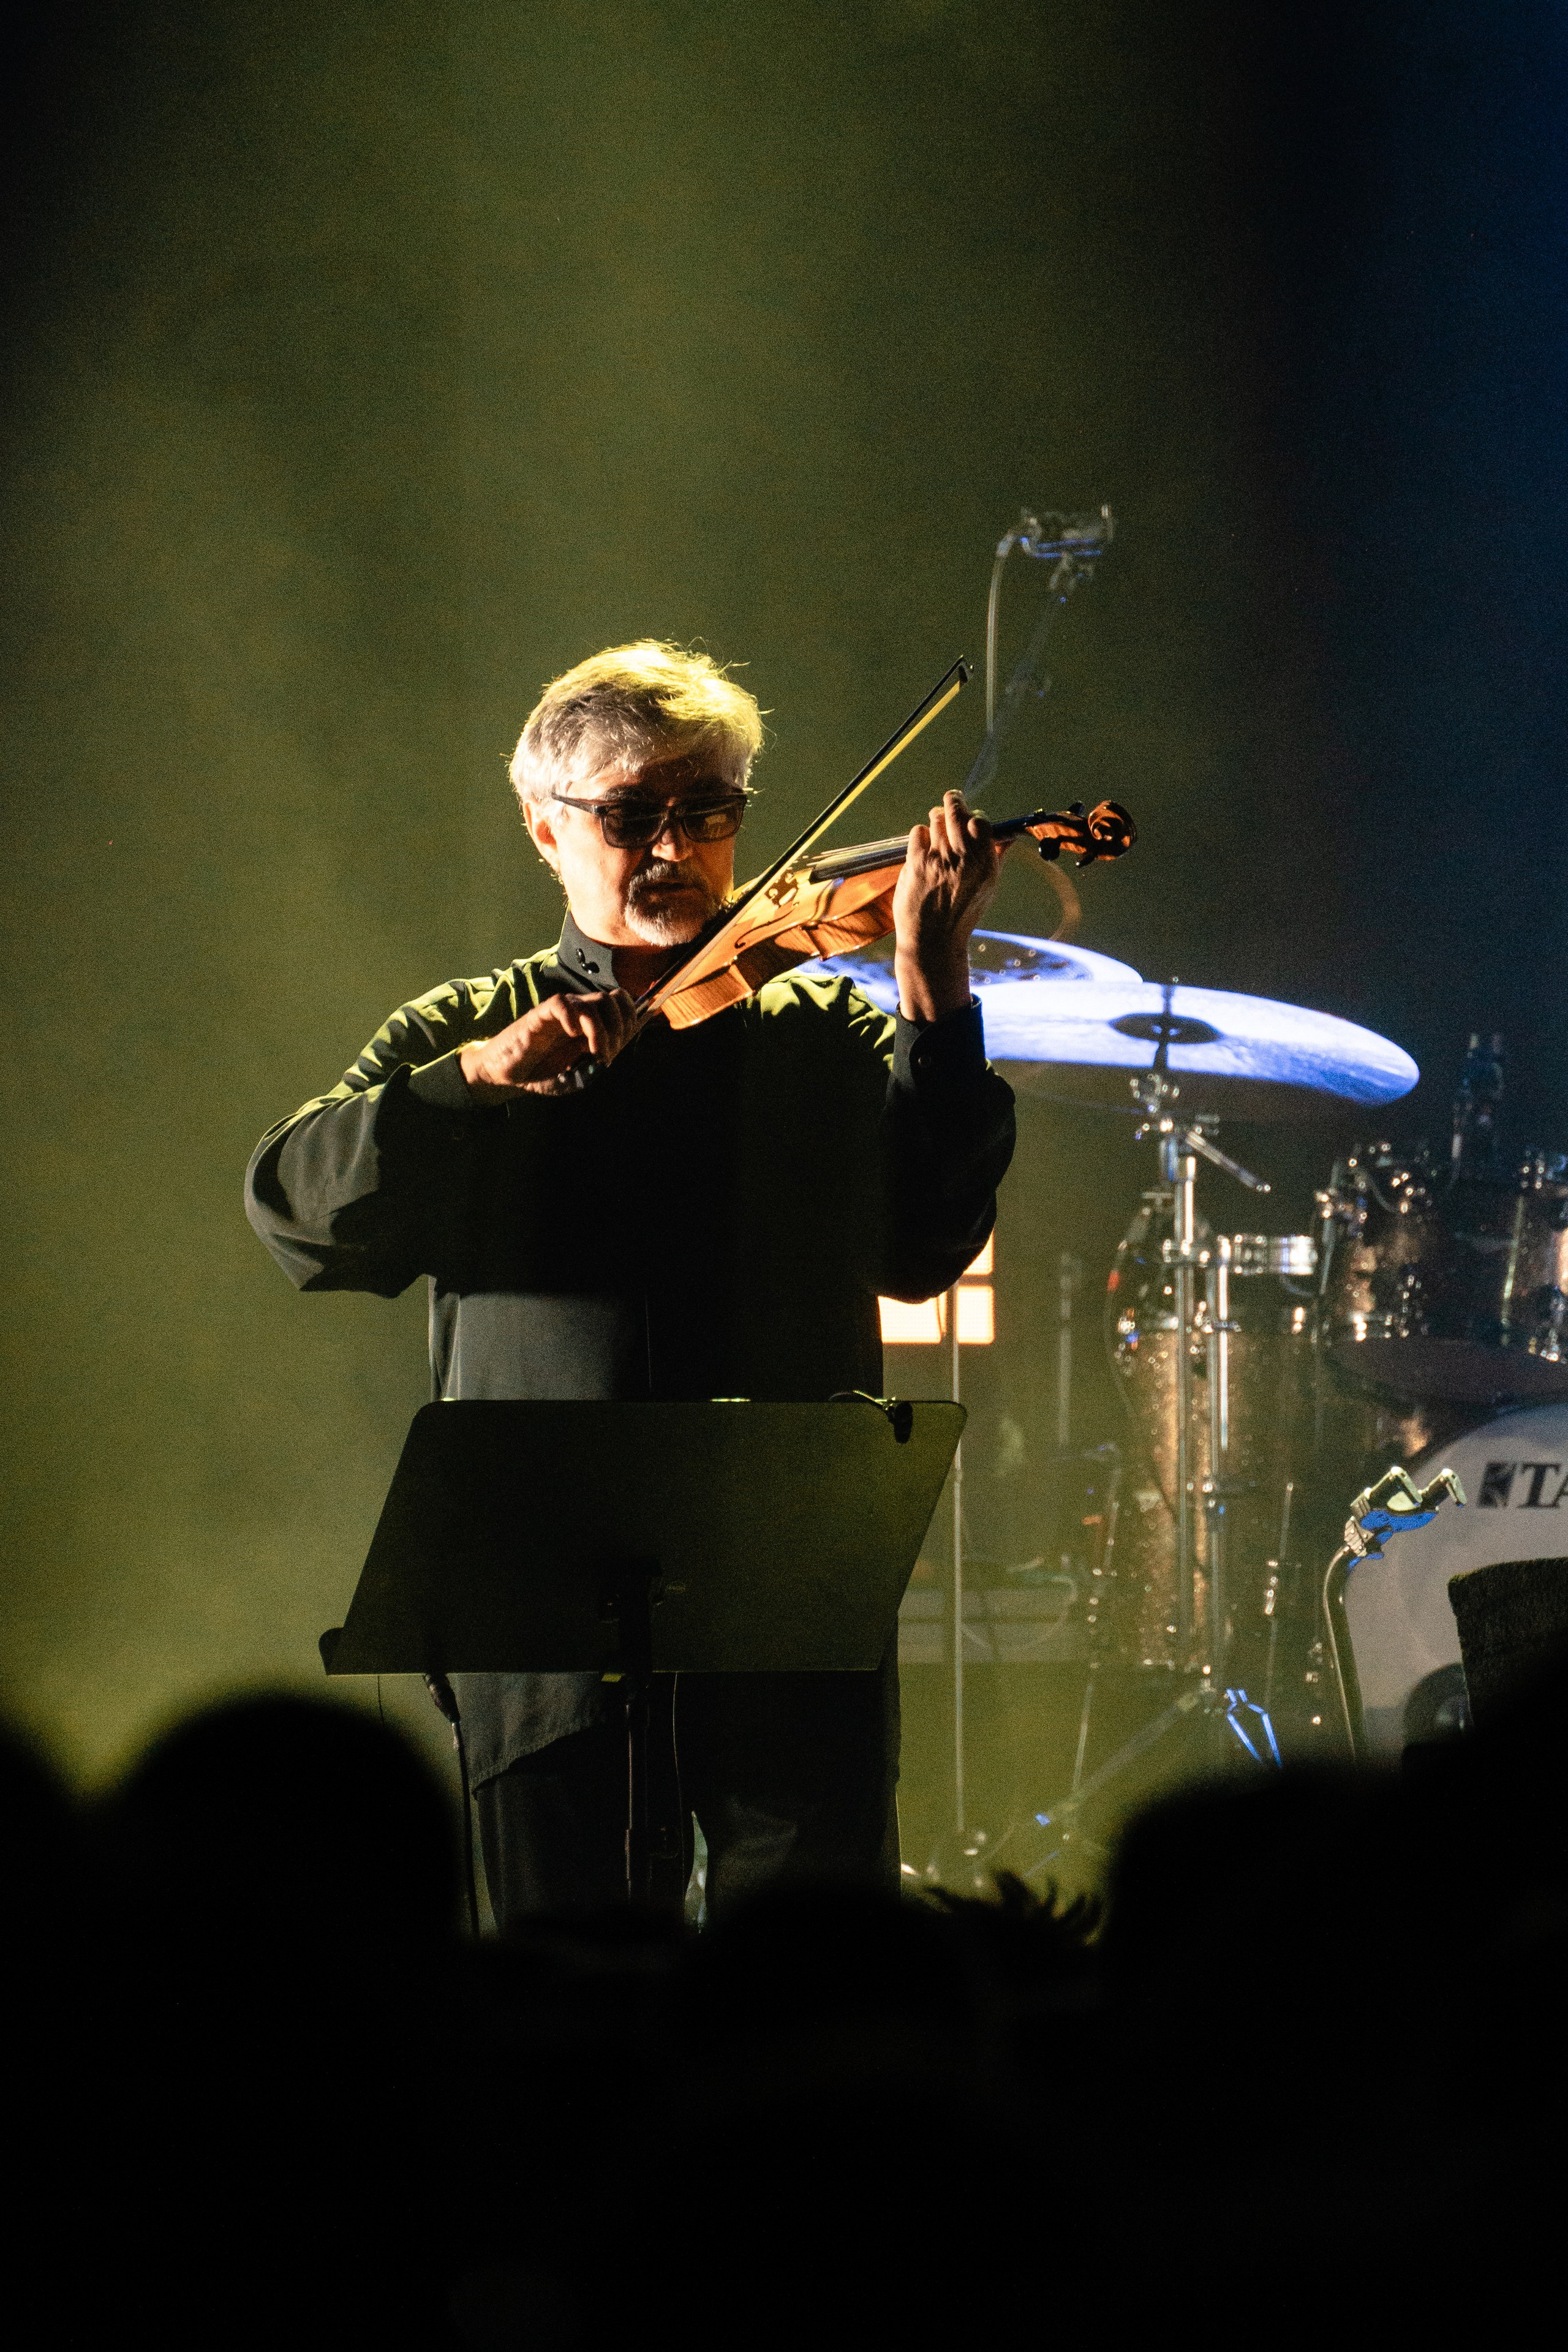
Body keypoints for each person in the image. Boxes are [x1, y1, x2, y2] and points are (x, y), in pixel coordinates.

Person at [246, 641, 1016, 1924]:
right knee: (566, 1995)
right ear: (545, 831)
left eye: (706, 810)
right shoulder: (468, 1030)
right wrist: (480, 1081)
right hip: (540, 1612)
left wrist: (936, 994)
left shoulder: (826, 1033)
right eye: (629, 815)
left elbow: (924, 1248)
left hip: (785, 1584)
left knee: (805, 1989)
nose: (673, 846)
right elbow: (296, 1215)